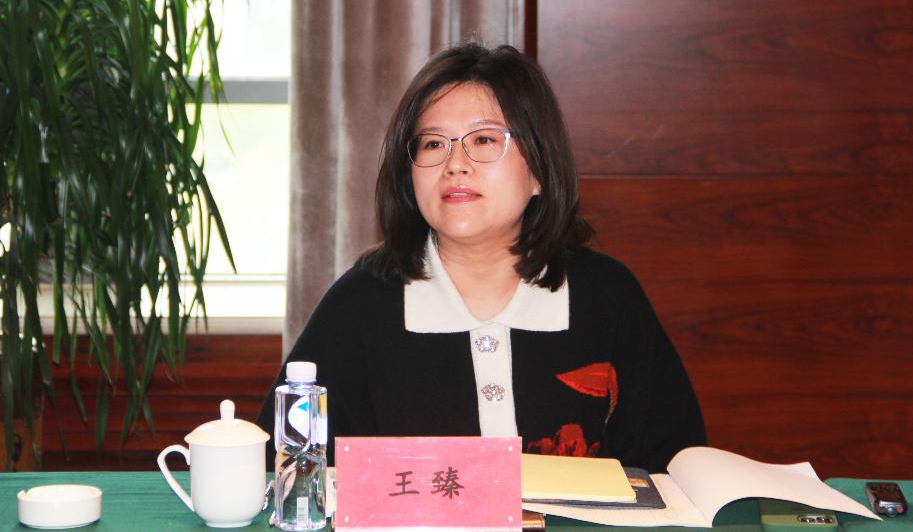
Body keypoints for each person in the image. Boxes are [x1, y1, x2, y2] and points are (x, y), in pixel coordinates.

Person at [257, 42, 705, 473]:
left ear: (539, 170)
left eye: (485, 139)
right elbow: (280, 469)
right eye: (433, 144)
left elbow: (674, 469)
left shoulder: (606, 298)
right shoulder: (360, 304)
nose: (455, 164)